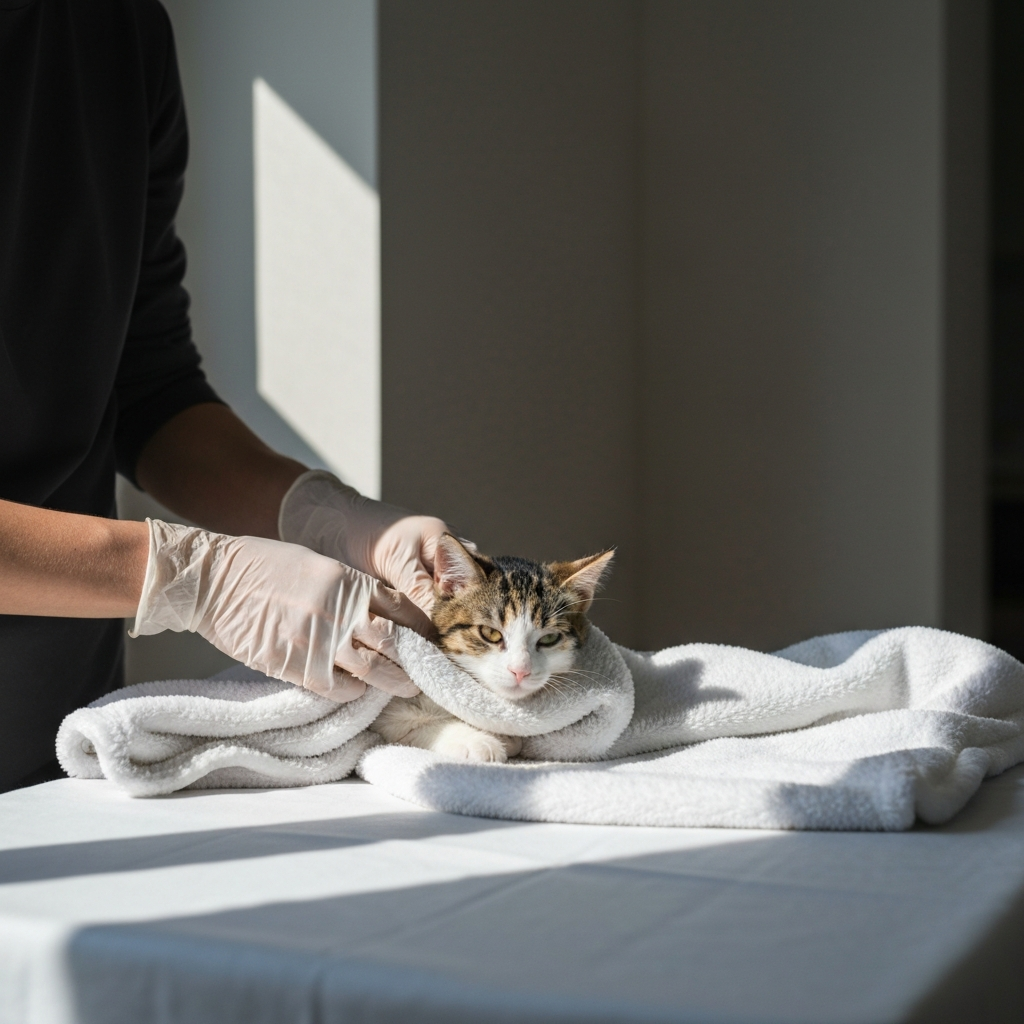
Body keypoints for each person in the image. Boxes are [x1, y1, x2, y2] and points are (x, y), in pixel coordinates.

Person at [0, 0, 449, 792]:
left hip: (57, 745)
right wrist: (187, 578)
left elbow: (148, 386)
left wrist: (330, 519)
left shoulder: (114, 30)